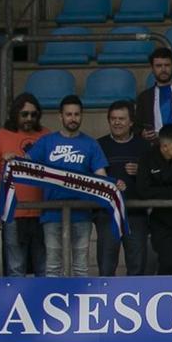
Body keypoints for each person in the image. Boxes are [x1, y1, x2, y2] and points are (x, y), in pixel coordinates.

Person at [29, 93, 109, 278]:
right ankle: (51, 304)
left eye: (76, 114)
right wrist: (12, 160)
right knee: (52, 267)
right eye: (69, 114)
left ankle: (80, 305)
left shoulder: (90, 144)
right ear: (61, 116)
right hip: (52, 212)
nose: (73, 118)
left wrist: (112, 186)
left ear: (81, 116)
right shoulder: (47, 141)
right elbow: (26, 164)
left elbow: (101, 176)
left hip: (81, 213)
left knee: (81, 267)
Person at [0, 94, 44, 276]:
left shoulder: (46, 135)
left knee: (44, 267)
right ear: (15, 114)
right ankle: (15, 304)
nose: (29, 118)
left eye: (33, 115)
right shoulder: (0, 137)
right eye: (24, 114)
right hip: (12, 213)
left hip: (44, 212)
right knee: (15, 267)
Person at [95, 101, 150, 276]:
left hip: (135, 214)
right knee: (106, 267)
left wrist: (141, 171)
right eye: (113, 119)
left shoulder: (144, 146)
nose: (117, 122)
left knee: (137, 266)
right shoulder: (99, 145)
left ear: (131, 122)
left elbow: (155, 176)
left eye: (121, 119)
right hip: (107, 214)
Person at [134, 126, 172, 275]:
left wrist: (156, 190)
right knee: (168, 263)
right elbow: (142, 191)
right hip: (160, 220)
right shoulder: (147, 158)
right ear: (165, 146)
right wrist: (170, 191)